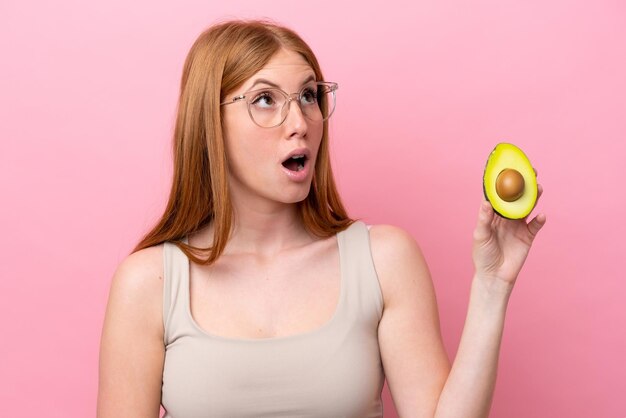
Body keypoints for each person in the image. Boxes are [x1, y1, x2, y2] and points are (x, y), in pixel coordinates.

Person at [97, 19, 546, 418]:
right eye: (266, 100)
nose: (300, 121)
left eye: (309, 96)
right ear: (209, 123)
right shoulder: (150, 283)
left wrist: (493, 286)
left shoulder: (383, 260)